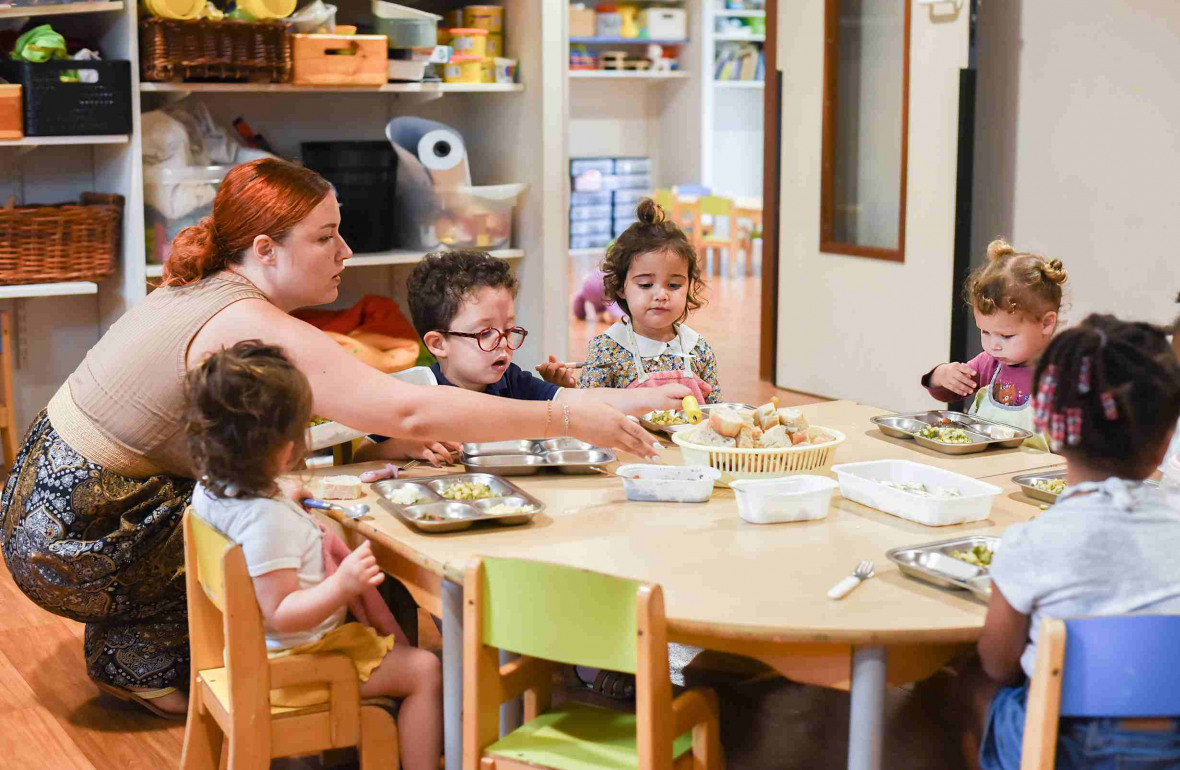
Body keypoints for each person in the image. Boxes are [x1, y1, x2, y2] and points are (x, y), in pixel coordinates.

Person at [0, 158, 668, 718]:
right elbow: (409, 412)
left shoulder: (202, 286)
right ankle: (287, 665)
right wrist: (569, 417)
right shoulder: (244, 319)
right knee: (313, 518)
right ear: (266, 249)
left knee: (309, 462)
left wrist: (366, 444)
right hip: (81, 536)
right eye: (327, 237)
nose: (346, 251)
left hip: (42, 513)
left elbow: (334, 415)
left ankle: (139, 653)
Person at [187, 341, 440, 770]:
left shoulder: (211, 486)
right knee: (425, 671)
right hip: (296, 664)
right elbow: (281, 611)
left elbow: (254, 526)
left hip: (251, 649)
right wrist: (343, 586)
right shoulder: (268, 522)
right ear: (285, 449)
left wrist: (280, 492)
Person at [965, 315, 1180, 769]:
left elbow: (998, 662)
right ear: (1166, 443)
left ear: (1046, 423)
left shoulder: (1033, 541)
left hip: (1069, 746)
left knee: (967, 687)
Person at [356, 251, 692, 464]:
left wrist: (649, 397)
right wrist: (405, 446)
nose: (503, 344)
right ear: (438, 343)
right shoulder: (417, 388)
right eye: (485, 333)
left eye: (509, 329)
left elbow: (578, 398)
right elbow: (363, 454)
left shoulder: (510, 380)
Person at [561, 199, 722, 403]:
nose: (661, 295)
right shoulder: (608, 349)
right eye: (646, 285)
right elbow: (589, 409)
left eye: (674, 285)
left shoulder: (698, 349)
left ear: (689, 285)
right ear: (621, 287)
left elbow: (714, 412)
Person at [922, 239, 1068, 449]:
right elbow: (948, 392)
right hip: (984, 470)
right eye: (985, 332)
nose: (993, 346)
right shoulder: (989, 364)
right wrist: (942, 375)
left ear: (1046, 323)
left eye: (1006, 336)